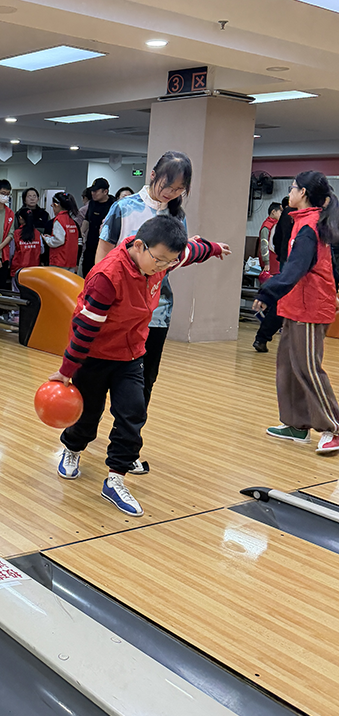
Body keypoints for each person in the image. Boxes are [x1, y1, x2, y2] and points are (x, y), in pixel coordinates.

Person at [49, 217, 230, 517]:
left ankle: (116, 478)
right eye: (159, 260)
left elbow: (190, 252)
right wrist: (67, 371)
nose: (163, 267)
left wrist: (213, 249)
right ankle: (72, 448)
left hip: (131, 355)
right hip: (94, 355)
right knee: (88, 414)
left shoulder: (160, 259)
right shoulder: (107, 277)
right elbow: (85, 329)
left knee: (133, 413)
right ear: (138, 246)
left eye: (168, 262)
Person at [95, 151, 192, 408]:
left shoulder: (178, 216)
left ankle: (129, 426)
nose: (171, 193)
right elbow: (103, 255)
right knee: (100, 375)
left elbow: (176, 258)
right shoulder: (123, 208)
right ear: (152, 175)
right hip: (117, 307)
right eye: (168, 186)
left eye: (179, 189)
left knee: (145, 378)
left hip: (156, 308)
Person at [254, 172, 339, 455]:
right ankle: (297, 424)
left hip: (310, 308)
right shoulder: (301, 221)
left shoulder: (310, 226)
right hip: (295, 306)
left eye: (292, 188)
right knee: (288, 368)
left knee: (308, 368)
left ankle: (335, 427)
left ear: (302, 192)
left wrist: (267, 293)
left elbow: (295, 269)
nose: (289, 193)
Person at [253, 201, 283, 354]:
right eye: (279, 211)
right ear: (273, 212)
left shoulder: (276, 225)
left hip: (277, 266)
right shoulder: (268, 226)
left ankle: (263, 336)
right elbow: (265, 246)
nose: (281, 214)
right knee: (276, 302)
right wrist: (266, 262)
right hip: (273, 266)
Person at [80, 178, 114, 276]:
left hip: (106, 246)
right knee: (87, 272)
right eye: (92, 191)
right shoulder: (92, 203)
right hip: (90, 245)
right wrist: (81, 232)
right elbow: (87, 220)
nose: (93, 193)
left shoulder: (113, 204)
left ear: (105, 191)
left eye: (96, 191)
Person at [43, 192, 80, 270]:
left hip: (59, 261)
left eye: (52, 206)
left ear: (56, 205)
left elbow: (59, 240)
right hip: (71, 260)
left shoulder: (59, 220)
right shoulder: (71, 221)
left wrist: (47, 239)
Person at [11, 210, 41, 282]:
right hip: (34, 269)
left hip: (18, 269)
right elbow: (42, 250)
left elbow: (11, 252)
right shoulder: (37, 233)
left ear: (20, 218)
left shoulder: (16, 233)